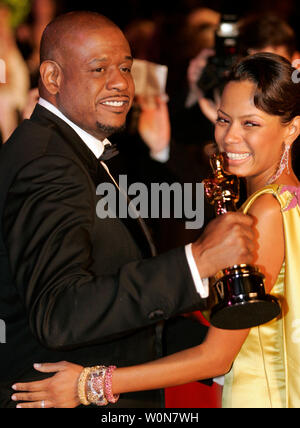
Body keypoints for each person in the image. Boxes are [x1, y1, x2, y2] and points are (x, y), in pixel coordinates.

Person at [12, 52, 300, 409]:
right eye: (224, 120)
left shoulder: (266, 211)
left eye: (251, 124)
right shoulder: (277, 201)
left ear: (292, 128)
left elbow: (216, 358)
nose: (230, 137)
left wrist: (87, 384)